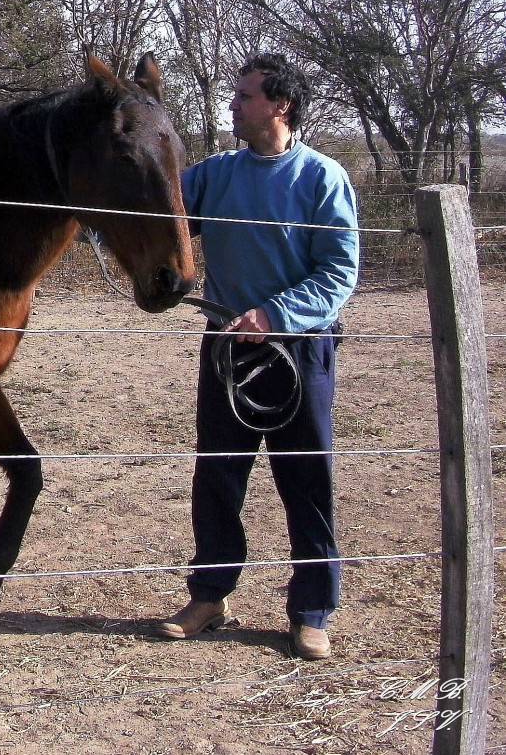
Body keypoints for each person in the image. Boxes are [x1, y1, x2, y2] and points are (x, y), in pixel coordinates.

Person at [156, 53, 359, 661]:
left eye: (245, 96)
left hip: (299, 349)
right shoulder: (215, 175)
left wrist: (273, 316)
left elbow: (340, 270)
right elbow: (156, 217)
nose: (234, 105)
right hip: (225, 347)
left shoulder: (322, 179)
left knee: (305, 478)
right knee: (217, 475)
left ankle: (311, 609)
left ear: (280, 105)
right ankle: (210, 594)